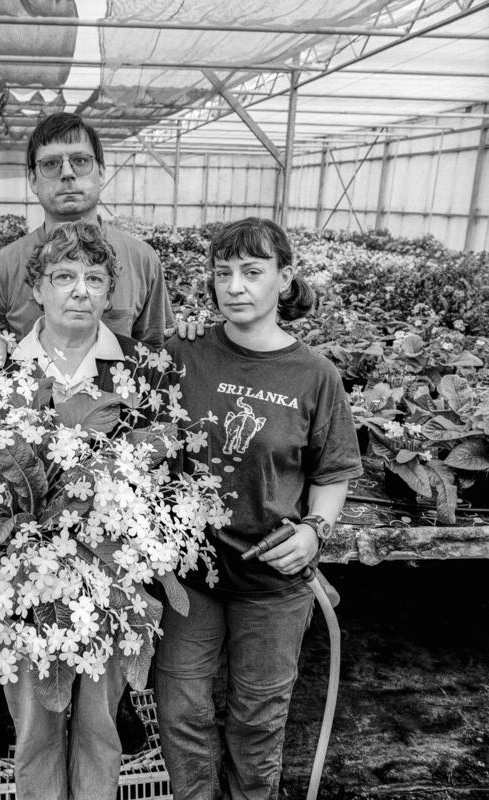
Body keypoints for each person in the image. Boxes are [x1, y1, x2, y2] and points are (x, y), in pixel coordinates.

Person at [155, 218, 363, 800]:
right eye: (223, 274)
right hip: (190, 574)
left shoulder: (315, 374)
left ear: (284, 277)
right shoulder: (182, 351)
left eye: (252, 272)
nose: (235, 286)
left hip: (274, 579)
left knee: (257, 719)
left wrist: (316, 530)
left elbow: (332, 472)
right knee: (181, 711)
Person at [1, 220, 160, 800]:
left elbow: (159, 471)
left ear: (110, 291)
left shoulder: (137, 370)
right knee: (35, 733)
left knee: (100, 728)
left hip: (109, 582)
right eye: (63, 276)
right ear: (36, 289)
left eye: (94, 278)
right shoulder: (0, 371)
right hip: (25, 584)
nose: (80, 291)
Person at [0, 111, 176, 351]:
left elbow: (155, 351)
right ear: (32, 179)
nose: (67, 173)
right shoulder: (1, 270)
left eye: (80, 161)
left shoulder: (142, 260)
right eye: (50, 164)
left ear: (101, 172)